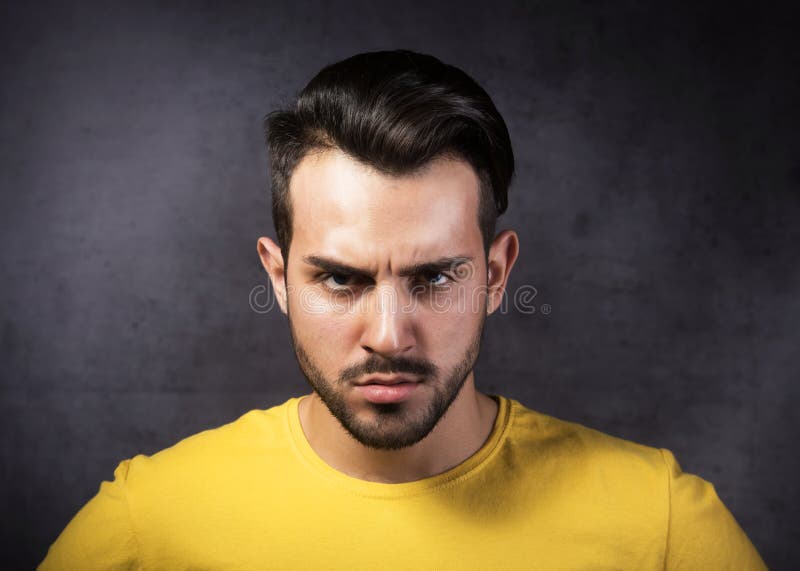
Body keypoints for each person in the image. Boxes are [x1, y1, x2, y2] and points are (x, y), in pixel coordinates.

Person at [40, 50, 766, 570]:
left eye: (435, 277)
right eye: (340, 279)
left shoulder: (661, 525)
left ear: (497, 272)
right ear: (279, 275)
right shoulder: (149, 523)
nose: (389, 334)